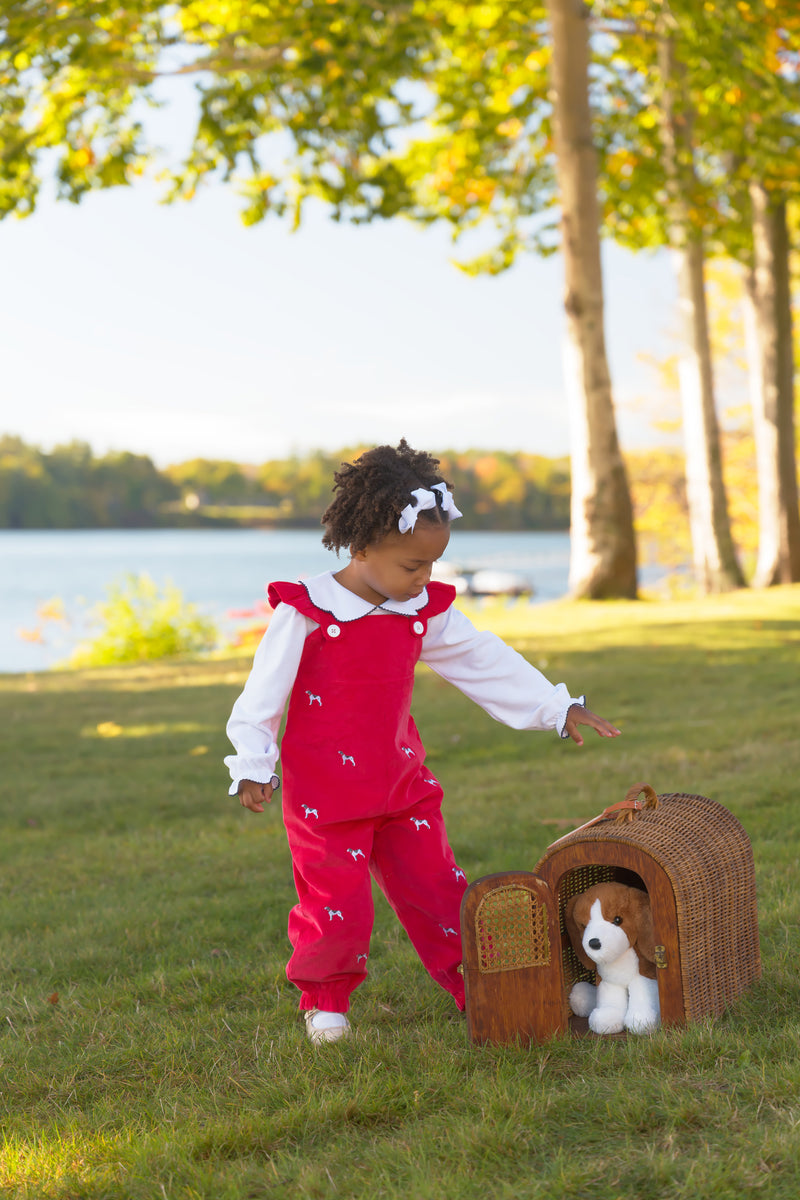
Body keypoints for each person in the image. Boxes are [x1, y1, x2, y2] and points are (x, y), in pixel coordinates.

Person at [224, 440, 621, 1043]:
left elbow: (481, 659)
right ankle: (327, 1003)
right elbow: (262, 696)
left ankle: (481, 988)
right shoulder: (306, 611)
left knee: (441, 894)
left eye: (432, 565)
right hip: (325, 801)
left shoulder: (421, 610)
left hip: (402, 786)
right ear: (360, 548)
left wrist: (554, 706)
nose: (424, 578)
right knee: (336, 904)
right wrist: (253, 762)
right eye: (412, 566)